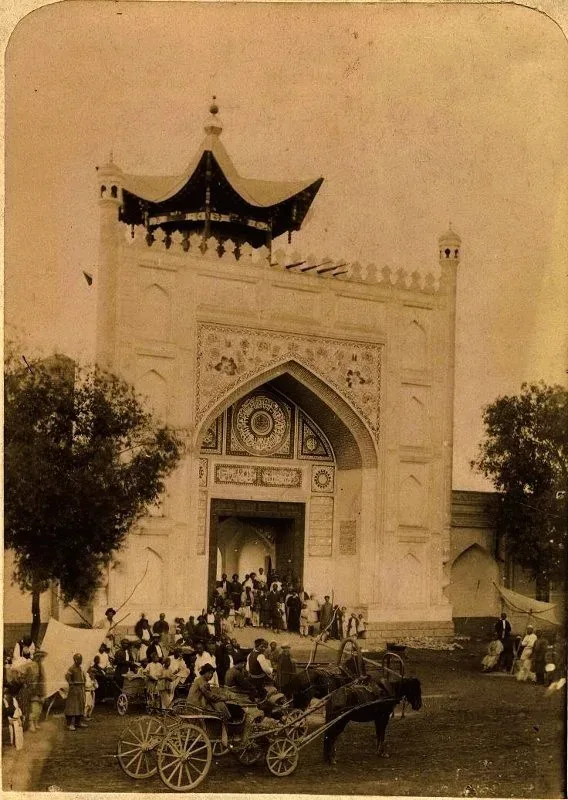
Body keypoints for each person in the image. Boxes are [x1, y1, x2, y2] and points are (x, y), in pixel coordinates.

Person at [65, 653, 87, 731]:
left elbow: (83, 677)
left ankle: (78, 722)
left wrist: (84, 681)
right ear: (75, 660)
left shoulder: (80, 668)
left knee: (80, 706)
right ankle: (69, 724)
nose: (80, 661)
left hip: (80, 689)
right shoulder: (71, 668)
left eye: (81, 659)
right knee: (72, 707)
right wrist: (71, 683)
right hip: (74, 689)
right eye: (79, 659)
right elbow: (67, 676)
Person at [28, 649, 47, 732]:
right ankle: (31, 724)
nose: (42, 659)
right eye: (41, 657)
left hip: (40, 688)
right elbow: (31, 678)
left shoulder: (41, 666)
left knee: (39, 708)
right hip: (34, 689)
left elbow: (43, 679)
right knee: (34, 708)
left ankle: (36, 722)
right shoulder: (33, 665)